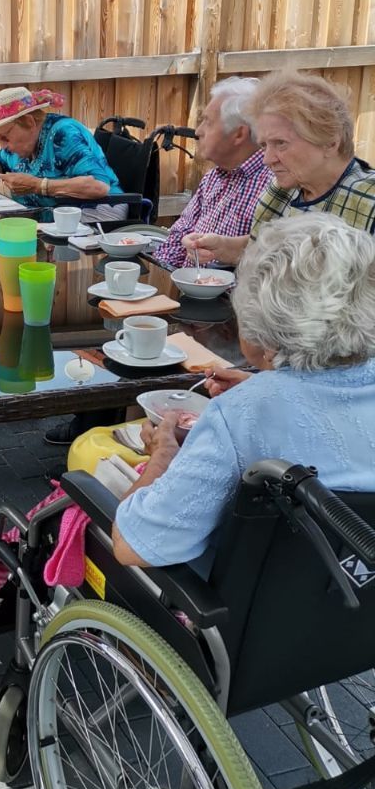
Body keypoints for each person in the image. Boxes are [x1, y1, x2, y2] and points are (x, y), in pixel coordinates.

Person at [112, 213, 375, 568]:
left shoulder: (240, 415)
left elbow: (135, 546)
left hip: (241, 611)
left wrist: (162, 456)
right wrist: (260, 386)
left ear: (260, 320)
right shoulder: (251, 404)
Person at [185, 71, 375, 266]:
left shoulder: (368, 202)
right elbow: (262, 249)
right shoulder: (284, 189)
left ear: (330, 143)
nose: (267, 159)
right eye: (264, 145)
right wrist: (223, 246)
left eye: (281, 143)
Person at [153, 77, 271, 269]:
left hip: (227, 298)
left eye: (207, 122)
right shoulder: (213, 177)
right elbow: (176, 238)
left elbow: (267, 265)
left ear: (238, 134)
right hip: (185, 292)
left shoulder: (273, 186)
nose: (198, 131)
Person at [0, 86, 125, 222]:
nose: (2, 145)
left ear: (29, 122)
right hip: (53, 217)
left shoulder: (63, 135)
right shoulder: (20, 144)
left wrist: (38, 185)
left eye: (5, 137)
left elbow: (99, 186)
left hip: (97, 211)